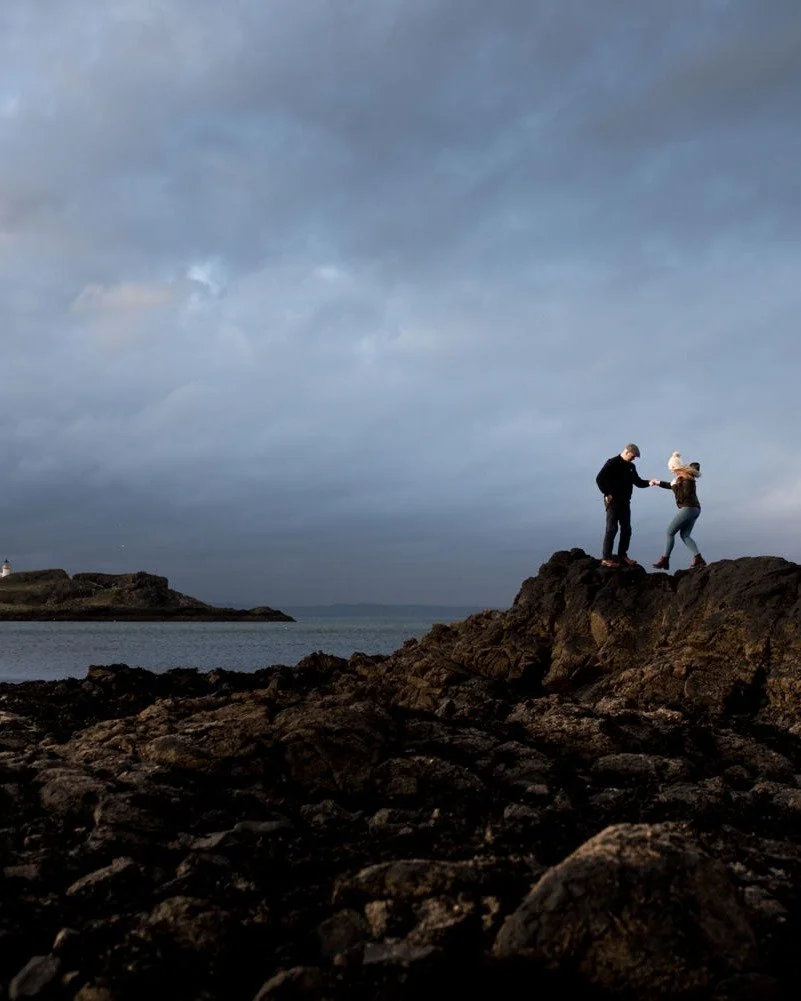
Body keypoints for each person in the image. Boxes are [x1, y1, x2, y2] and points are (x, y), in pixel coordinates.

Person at [595, 443, 651, 568]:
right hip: (613, 501)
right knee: (612, 528)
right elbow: (599, 479)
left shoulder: (631, 466)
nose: (634, 458)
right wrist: (607, 493)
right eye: (633, 455)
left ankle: (622, 556)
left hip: (625, 501)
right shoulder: (612, 462)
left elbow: (638, 482)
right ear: (627, 451)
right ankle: (606, 558)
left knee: (627, 529)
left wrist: (650, 482)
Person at [650, 456, 706, 570]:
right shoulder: (682, 477)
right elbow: (670, 485)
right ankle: (698, 559)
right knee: (684, 535)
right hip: (695, 509)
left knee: (669, 532)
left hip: (688, 508)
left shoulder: (685, 478)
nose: (670, 470)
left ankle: (664, 560)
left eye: (671, 467)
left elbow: (684, 495)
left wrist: (675, 485)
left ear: (675, 467)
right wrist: (658, 483)